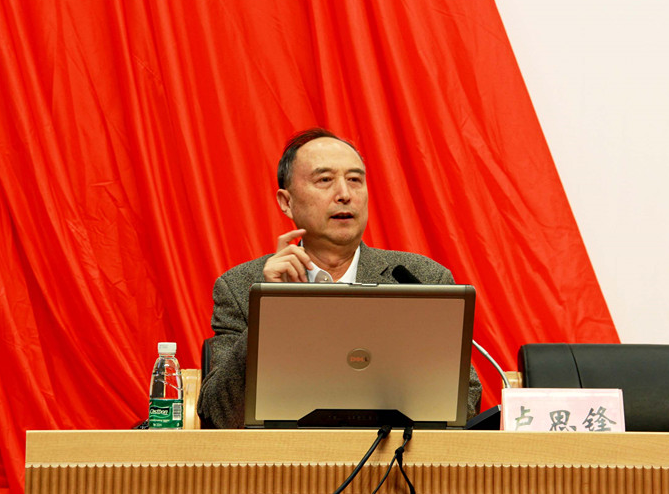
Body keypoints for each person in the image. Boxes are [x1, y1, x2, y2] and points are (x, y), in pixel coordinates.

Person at [197, 128, 482, 428]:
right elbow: (218, 415)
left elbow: (466, 401)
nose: (345, 194)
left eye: (355, 180)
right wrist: (272, 310)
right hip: (288, 455)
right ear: (286, 201)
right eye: (325, 180)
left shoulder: (422, 280)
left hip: (393, 452)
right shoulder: (242, 287)